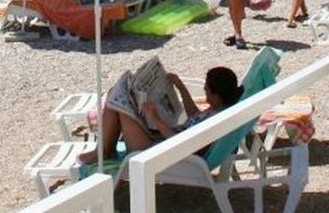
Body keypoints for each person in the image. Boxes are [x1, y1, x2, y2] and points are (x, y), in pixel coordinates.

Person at [77, 66, 242, 164]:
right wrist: (180, 86)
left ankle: (104, 151)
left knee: (119, 100)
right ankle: (105, 150)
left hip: (156, 150)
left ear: (216, 96)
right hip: (161, 140)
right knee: (121, 92)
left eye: (206, 89)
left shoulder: (214, 121)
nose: (204, 90)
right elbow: (194, 116)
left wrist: (155, 119)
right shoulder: (217, 111)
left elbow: (183, 144)